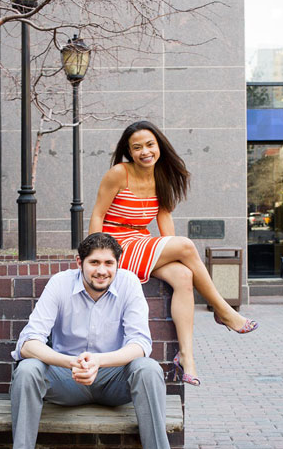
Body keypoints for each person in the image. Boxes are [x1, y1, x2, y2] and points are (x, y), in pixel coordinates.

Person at [0, 233, 178, 449]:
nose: (102, 270)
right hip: (67, 377)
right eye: (94, 262)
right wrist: (70, 362)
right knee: (28, 369)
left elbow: (140, 344)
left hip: (113, 380)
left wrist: (98, 361)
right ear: (79, 262)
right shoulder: (60, 283)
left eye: (109, 263)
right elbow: (28, 342)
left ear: (117, 264)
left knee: (148, 368)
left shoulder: (129, 283)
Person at [88, 120, 257, 386]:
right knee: (187, 246)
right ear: (129, 152)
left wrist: (171, 252)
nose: (145, 151)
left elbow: (164, 219)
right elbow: (98, 213)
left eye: (150, 145)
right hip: (115, 244)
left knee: (182, 275)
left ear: (159, 146)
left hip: (141, 242)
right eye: (137, 147)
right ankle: (223, 310)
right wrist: (95, 256)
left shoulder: (162, 177)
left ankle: (186, 358)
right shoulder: (119, 173)